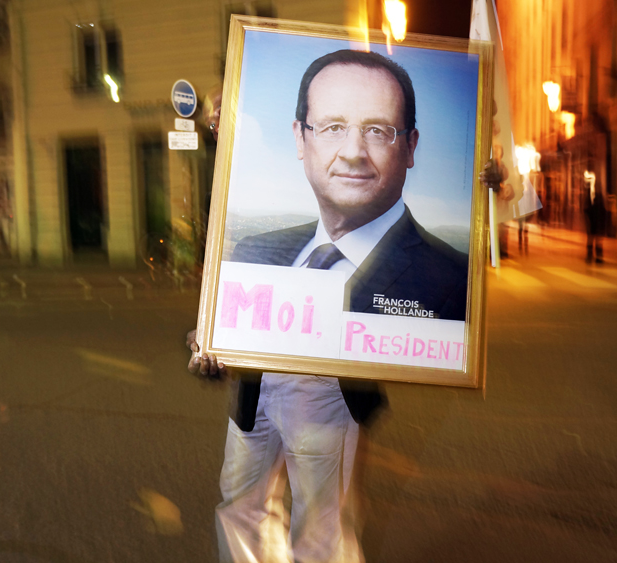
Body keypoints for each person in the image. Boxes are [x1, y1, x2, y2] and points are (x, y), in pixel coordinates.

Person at [188, 49, 469, 563]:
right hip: (256, 395)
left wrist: (486, 187)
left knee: (322, 538)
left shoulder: (448, 275)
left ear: (410, 148)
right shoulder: (258, 248)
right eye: (333, 127)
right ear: (301, 139)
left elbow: (449, 332)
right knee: (241, 509)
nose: (353, 152)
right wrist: (211, 335)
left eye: (379, 131)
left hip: (330, 402)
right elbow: (232, 312)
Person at [584, 178, 606, 264]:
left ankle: (590, 256)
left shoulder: (590, 197)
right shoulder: (599, 197)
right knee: (598, 239)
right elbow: (603, 210)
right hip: (598, 221)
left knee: (591, 238)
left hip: (592, 220)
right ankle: (599, 257)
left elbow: (586, 209)